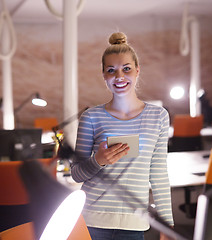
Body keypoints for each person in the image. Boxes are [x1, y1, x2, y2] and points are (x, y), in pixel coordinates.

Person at [71, 32, 174, 240]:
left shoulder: (158, 116)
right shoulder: (91, 117)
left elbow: (159, 175)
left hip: (134, 222)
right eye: (111, 70)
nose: (119, 76)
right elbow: (76, 174)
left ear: (137, 71)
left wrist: (168, 226)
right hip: (91, 220)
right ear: (104, 75)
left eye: (126, 68)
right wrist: (98, 161)